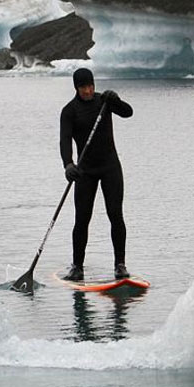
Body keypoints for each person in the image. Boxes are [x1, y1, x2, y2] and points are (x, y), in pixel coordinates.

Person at [60, 67, 133, 281]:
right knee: (82, 219)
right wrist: (68, 164)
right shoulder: (69, 111)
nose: (88, 90)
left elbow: (128, 112)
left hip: (110, 167)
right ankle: (77, 266)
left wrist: (116, 100)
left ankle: (120, 265)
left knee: (115, 215)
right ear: (76, 87)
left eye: (91, 86)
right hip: (85, 172)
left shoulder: (104, 102)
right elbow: (64, 140)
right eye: (83, 87)